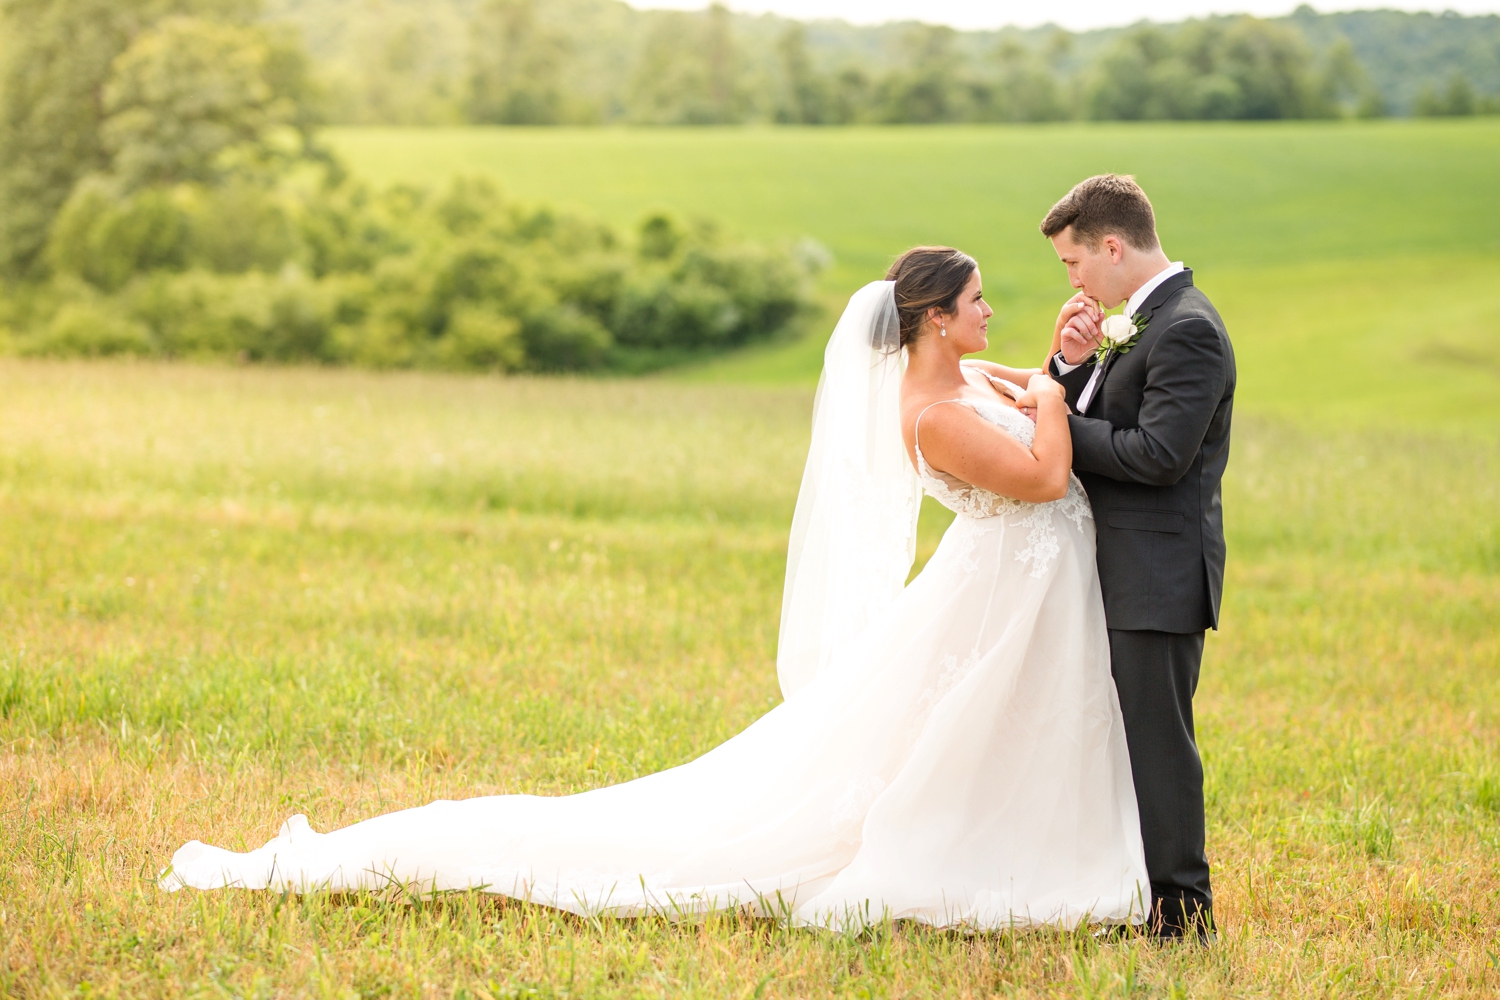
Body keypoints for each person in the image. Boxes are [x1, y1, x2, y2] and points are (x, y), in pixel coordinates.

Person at [163, 247, 1149, 933]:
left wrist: (1060, 364)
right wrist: (1057, 400)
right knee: (941, 735)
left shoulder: (964, 379)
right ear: (936, 318)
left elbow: (1029, 389)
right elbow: (1042, 475)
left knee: (996, 730)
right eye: (977, 302)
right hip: (995, 587)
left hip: (1019, 590)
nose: (989, 314)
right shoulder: (931, 409)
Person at [1041, 174, 1236, 939]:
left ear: (1112, 246)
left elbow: (1158, 455)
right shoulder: (1145, 320)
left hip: (1157, 576)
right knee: (1126, 740)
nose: (1074, 279)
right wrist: (1072, 367)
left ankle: (1185, 918)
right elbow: (1120, 414)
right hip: (1125, 569)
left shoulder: (1187, 327)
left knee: (1159, 746)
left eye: (1074, 263)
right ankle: (1134, 897)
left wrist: (1050, 423)